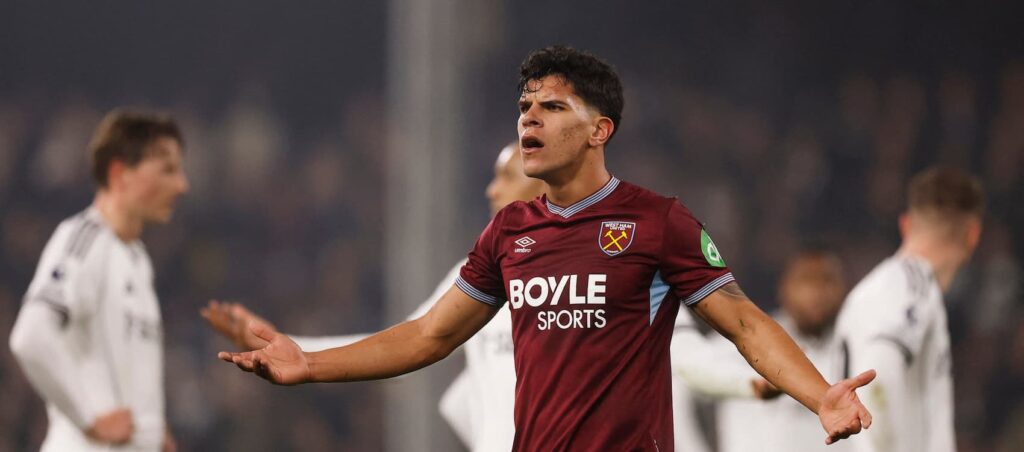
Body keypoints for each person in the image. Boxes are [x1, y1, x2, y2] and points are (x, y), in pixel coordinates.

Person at [218, 46, 874, 451]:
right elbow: (427, 335)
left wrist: (820, 396)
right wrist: (310, 363)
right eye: (525, 105)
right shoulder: (509, 233)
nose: (529, 116)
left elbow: (745, 324)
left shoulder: (656, 222)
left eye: (552, 107)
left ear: (599, 130)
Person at [203, 142, 775, 452]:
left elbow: (688, 352)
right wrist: (296, 348)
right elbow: (411, 338)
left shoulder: (618, 263)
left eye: (504, 175)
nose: (490, 187)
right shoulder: (479, 274)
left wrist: (744, 381)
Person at [9, 109, 189, 452]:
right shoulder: (85, 239)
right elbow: (30, 336)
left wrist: (152, 429)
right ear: (120, 174)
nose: (182, 185)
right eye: (167, 170)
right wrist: (88, 418)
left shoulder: (137, 258)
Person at [836, 167, 984, 452]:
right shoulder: (910, 289)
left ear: (905, 225)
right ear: (973, 235)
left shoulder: (888, 288)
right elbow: (877, 375)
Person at [715, 248, 851, 452]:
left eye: (827, 280)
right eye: (805, 280)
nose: (816, 292)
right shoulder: (743, 340)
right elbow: (681, 378)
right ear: (783, 288)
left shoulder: (857, 345)